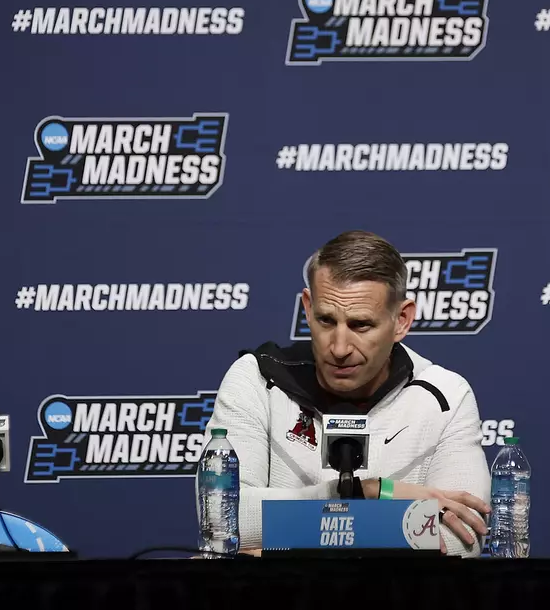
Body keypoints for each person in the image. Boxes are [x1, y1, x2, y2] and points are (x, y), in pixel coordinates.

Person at [202, 230, 492, 556]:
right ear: (308, 308)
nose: (339, 348)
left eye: (361, 325)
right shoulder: (256, 379)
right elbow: (221, 519)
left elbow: (459, 540)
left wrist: (270, 550)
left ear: (401, 320)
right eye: (326, 320)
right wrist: (370, 492)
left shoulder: (446, 396)